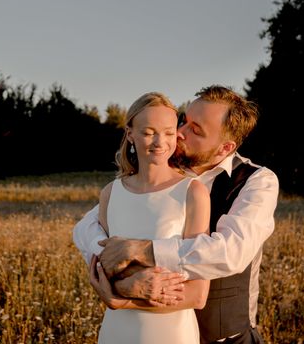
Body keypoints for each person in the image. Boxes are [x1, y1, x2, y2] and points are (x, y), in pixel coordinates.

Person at [74, 85, 279, 344]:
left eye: (195, 130)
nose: (179, 134)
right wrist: (111, 267)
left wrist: (144, 250)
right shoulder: (162, 168)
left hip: (226, 338)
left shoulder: (257, 181)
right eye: (184, 121)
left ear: (225, 148)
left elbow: (230, 252)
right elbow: (87, 227)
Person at [90, 91, 211, 344]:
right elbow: (98, 271)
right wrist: (121, 292)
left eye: (168, 132)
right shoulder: (111, 193)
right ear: (130, 134)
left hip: (172, 333)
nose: (160, 142)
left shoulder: (193, 193)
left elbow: (198, 295)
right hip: (116, 332)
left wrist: (123, 301)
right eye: (148, 132)